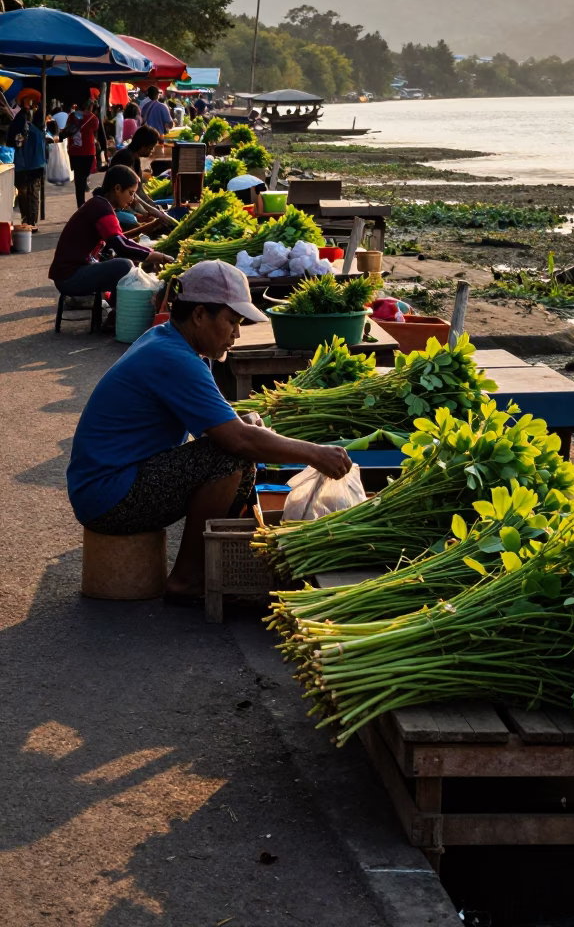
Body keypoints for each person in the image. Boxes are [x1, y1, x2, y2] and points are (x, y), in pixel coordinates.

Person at [66, 260, 353, 602]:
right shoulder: (175, 358)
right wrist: (314, 453)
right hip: (106, 496)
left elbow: (221, 426)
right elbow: (236, 440)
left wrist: (242, 424)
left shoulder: (171, 343)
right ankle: (187, 578)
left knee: (237, 454)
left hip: (110, 484)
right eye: (232, 322)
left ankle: (212, 561)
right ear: (200, 315)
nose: (237, 334)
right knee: (228, 456)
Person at [49, 163, 173, 309]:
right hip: (69, 278)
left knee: (127, 259)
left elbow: (120, 239)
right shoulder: (102, 209)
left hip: (73, 273)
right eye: (131, 193)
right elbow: (121, 246)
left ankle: (115, 312)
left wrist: (150, 250)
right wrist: (154, 255)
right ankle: (116, 314)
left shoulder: (100, 204)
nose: (132, 199)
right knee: (123, 265)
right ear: (118, 189)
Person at [111, 125, 174, 234]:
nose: (152, 150)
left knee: (158, 223)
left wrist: (156, 209)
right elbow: (128, 195)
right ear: (143, 146)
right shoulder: (124, 158)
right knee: (145, 225)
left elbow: (139, 191)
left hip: (129, 206)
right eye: (151, 147)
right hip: (117, 208)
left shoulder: (136, 159)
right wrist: (145, 213)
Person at [9, 89, 46, 230]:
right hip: (31, 161)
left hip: (28, 161)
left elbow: (15, 138)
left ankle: (30, 221)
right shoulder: (27, 117)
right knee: (30, 192)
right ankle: (29, 221)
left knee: (28, 192)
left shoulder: (28, 117)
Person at [61, 98, 99, 208]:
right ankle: (83, 189)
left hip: (75, 152)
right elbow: (96, 129)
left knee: (78, 178)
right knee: (84, 175)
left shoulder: (72, 116)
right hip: (88, 152)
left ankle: (80, 203)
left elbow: (67, 129)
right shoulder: (93, 118)